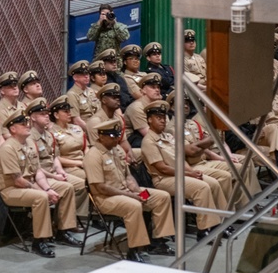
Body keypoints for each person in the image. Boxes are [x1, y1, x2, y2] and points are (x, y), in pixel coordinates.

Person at [83, 119, 175, 262]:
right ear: (101, 136)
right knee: (134, 206)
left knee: (161, 197)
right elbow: (99, 187)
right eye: (113, 136)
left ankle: (158, 241)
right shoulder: (93, 155)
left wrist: (137, 191)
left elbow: (128, 175)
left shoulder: (117, 149)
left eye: (118, 135)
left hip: (126, 192)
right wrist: (131, 195)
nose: (117, 139)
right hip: (105, 198)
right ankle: (134, 250)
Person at [0, 112, 80, 258]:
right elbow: (18, 180)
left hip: (29, 183)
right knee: (40, 198)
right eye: (23, 124)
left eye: (27, 123)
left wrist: (48, 188)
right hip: (11, 190)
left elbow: (37, 171)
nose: (27, 126)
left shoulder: (29, 143)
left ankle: (63, 231)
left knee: (66, 188)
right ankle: (39, 240)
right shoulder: (8, 148)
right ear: (13, 129)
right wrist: (45, 192)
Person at [141, 102, 228, 240]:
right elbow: (162, 168)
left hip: (179, 174)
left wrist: (193, 172)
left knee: (213, 183)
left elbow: (180, 159)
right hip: (163, 179)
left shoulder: (168, 137)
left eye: (163, 116)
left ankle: (222, 222)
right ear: (149, 120)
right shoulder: (148, 141)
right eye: (158, 117)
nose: (163, 120)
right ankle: (204, 228)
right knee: (202, 188)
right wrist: (189, 174)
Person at [27, 98, 86, 223]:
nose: (46, 116)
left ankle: (71, 219)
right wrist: (56, 176)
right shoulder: (30, 137)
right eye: (42, 114)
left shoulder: (48, 135)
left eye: (47, 113)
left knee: (82, 185)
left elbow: (54, 157)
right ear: (32, 118)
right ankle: (61, 224)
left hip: (53, 173)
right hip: (41, 176)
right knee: (68, 187)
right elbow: (35, 167)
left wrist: (60, 171)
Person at [65, 60, 97, 129]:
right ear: (75, 77)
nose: (86, 76)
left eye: (87, 74)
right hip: (84, 130)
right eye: (82, 74)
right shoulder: (72, 95)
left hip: (96, 126)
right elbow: (76, 121)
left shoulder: (91, 91)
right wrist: (92, 131)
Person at [0, 72, 23, 138]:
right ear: (2, 91)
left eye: (15, 85)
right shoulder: (0, 110)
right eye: (10, 86)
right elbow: (6, 135)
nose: (15, 88)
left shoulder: (22, 105)